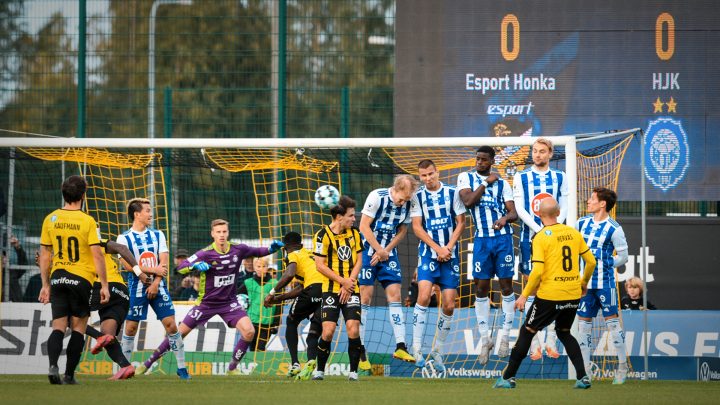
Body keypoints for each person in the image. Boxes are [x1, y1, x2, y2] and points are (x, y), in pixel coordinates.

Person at [135, 219, 283, 376]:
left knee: (249, 331)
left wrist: (270, 249)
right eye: (218, 232)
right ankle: (147, 364)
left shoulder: (238, 249)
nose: (221, 235)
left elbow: (258, 251)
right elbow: (180, 267)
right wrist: (195, 266)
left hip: (229, 303)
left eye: (224, 232)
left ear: (228, 233)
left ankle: (232, 368)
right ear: (212, 234)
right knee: (178, 334)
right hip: (206, 304)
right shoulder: (205, 253)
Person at [494, 197, 597, 389]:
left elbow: (538, 272)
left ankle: (508, 377)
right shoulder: (573, 233)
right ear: (558, 213)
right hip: (573, 294)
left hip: (549, 296)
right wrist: (583, 283)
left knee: (528, 331)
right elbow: (591, 262)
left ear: (539, 215)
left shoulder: (540, 237)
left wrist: (524, 295)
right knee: (564, 332)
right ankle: (582, 377)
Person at [38, 175, 109, 385]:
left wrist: (45, 285)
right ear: (83, 195)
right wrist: (104, 285)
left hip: (58, 278)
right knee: (78, 327)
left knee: (58, 327)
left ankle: (52, 366)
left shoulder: (51, 218)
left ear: (64, 193)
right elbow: (97, 254)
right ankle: (69, 375)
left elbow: (45, 255)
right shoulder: (88, 221)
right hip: (81, 279)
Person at [457, 146, 518, 364]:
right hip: (482, 241)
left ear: (492, 160)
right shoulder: (466, 178)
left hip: (503, 240)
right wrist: (485, 182)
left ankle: (504, 338)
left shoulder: (503, 184)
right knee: (481, 288)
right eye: (477, 159)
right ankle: (485, 339)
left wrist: (504, 219)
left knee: (506, 287)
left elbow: (513, 212)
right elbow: (468, 202)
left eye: (484, 159)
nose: (479, 162)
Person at [117, 197, 189, 379]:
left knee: (171, 325)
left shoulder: (158, 235)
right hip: (135, 287)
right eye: (147, 211)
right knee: (131, 328)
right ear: (137, 214)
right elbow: (126, 265)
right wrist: (152, 269)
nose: (151, 214)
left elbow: (163, 262)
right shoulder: (123, 238)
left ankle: (182, 368)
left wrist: (156, 282)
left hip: (159, 286)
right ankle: (123, 368)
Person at [513, 137, 569, 360]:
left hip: (555, 239)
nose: (537, 155)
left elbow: (564, 205)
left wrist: (552, 228)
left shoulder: (560, 177)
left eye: (542, 151)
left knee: (554, 288)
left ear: (550, 154)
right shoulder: (521, 176)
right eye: (535, 151)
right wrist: (540, 229)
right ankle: (535, 343)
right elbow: (519, 208)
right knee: (532, 288)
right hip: (531, 238)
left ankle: (551, 342)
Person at [409, 159, 466, 371]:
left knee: (449, 304)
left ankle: (438, 350)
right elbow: (417, 227)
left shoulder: (453, 193)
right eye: (423, 176)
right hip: (427, 255)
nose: (428, 179)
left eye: (430, 174)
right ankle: (416, 348)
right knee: (423, 296)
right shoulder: (417, 197)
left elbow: (461, 222)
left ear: (437, 172)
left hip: (450, 255)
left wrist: (448, 247)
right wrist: (437, 248)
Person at [358, 174, 419, 363]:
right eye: (402, 198)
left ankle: (401, 346)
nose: (403, 202)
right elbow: (363, 226)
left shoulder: (409, 202)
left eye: (407, 199)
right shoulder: (377, 197)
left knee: (395, 295)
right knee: (365, 298)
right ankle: (359, 348)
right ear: (396, 188)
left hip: (387, 253)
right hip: (367, 251)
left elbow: (402, 230)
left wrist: (386, 251)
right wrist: (378, 250)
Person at [86, 239, 166, 380]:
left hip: (101, 286)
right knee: (109, 337)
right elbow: (122, 248)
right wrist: (139, 273)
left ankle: (99, 337)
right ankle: (126, 366)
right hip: (122, 291)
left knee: (69, 316)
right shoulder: (99, 242)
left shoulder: (82, 244)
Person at [576, 187, 630, 384]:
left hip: (605, 283)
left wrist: (606, 263)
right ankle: (586, 371)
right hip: (584, 285)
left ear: (602, 204)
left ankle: (622, 367)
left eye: (592, 199)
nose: (588, 201)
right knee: (583, 327)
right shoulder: (580, 223)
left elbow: (623, 257)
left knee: (613, 325)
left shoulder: (614, 228)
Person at [312, 195, 364, 381]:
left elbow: (359, 260)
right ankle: (319, 371)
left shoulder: (355, 233)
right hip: (331, 289)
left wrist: (349, 283)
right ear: (339, 216)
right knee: (328, 331)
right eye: (351, 215)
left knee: (353, 328)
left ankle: (353, 373)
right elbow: (320, 265)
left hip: (351, 288)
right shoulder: (322, 235)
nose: (354, 219)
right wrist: (342, 281)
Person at [264, 231, 324, 378]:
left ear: (286, 247)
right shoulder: (309, 254)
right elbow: (301, 288)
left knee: (291, 321)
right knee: (314, 330)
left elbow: (289, 274)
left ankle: (295, 364)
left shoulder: (293, 254)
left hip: (313, 288)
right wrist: (279, 298)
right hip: (327, 291)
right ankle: (311, 361)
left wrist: (272, 293)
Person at [245, 256, 279, 351]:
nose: (261, 269)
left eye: (264, 266)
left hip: (267, 322)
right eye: (258, 266)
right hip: (251, 322)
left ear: (267, 267)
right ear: (254, 267)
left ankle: (260, 366)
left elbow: (279, 305)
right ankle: (253, 366)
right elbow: (239, 298)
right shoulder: (248, 283)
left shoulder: (275, 284)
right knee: (252, 348)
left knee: (260, 348)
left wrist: (276, 322)